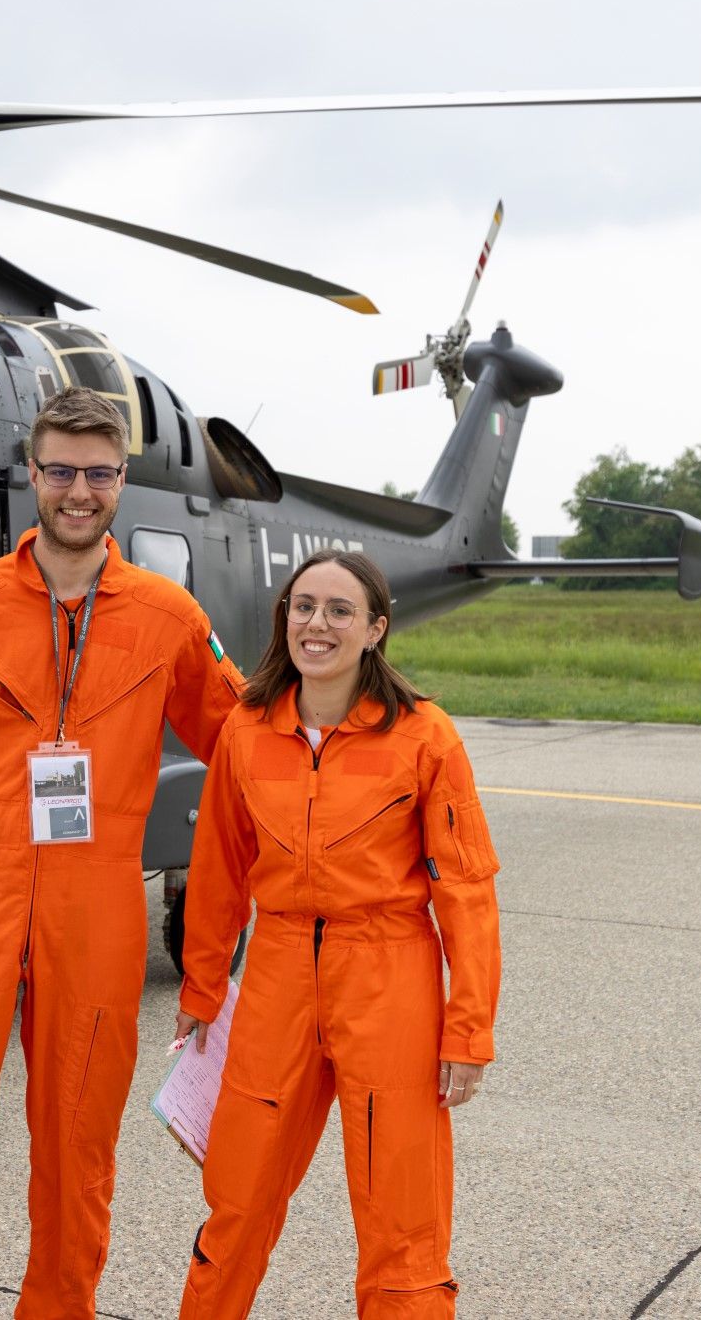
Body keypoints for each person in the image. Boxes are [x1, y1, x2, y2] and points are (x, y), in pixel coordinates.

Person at [0, 386, 244, 1318]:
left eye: (98, 474)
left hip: (95, 903)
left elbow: (245, 743)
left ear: (120, 482)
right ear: (32, 473)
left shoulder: (169, 617)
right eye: (60, 470)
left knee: (78, 1154)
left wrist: (353, 734)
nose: (78, 491)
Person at [172, 549, 501, 1318]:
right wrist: (202, 985)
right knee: (239, 1194)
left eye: (339, 610)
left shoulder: (425, 737)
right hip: (279, 973)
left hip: (389, 978)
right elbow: (218, 868)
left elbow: (467, 890)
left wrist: (468, 1029)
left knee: (401, 1215)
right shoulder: (246, 731)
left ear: (376, 629)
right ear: (284, 616)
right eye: (303, 606)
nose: (316, 624)